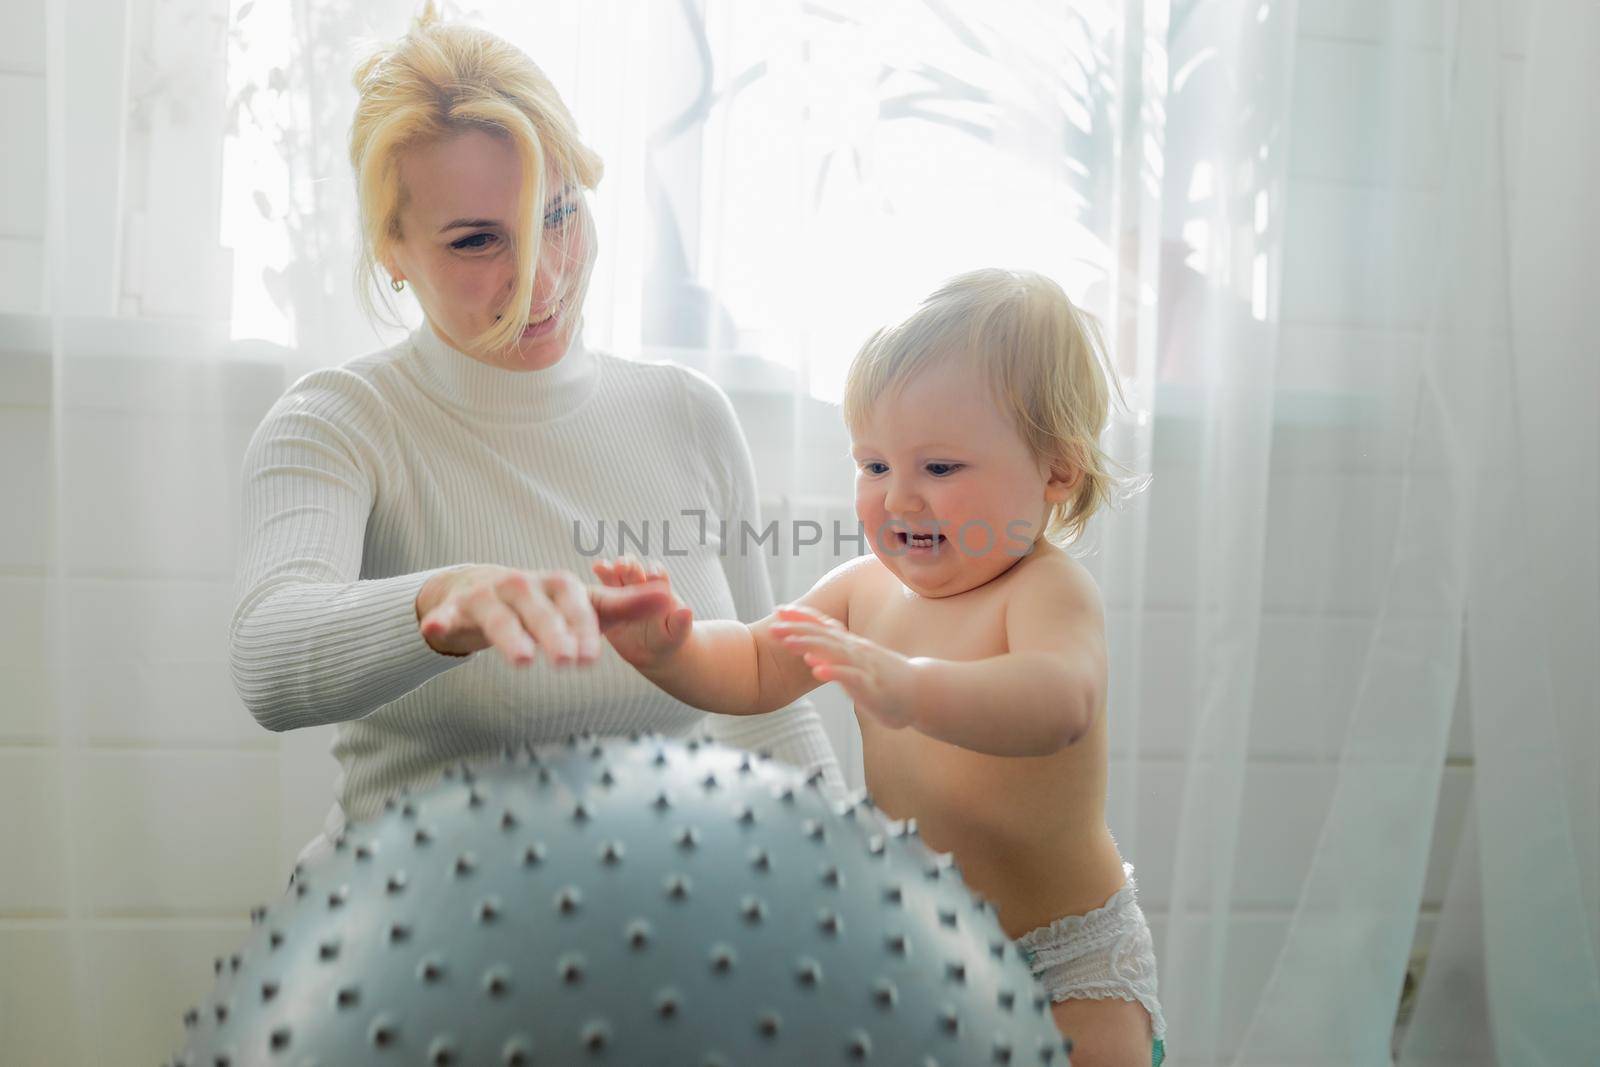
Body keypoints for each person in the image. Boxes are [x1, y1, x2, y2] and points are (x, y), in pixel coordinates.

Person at [227, 6, 843, 868]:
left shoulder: (688, 414)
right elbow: (270, 652)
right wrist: (445, 601)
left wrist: (854, 889)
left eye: (558, 215)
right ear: (392, 247)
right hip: (412, 951)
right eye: (478, 240)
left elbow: (768, 704)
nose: (540, 279)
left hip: (654, 948)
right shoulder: (338, 421)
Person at [596, 268, 1166, 1066]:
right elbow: (760, 664)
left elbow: (1059, 698)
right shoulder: (864, 590)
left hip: (1068, 962)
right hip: (926, 950)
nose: (899, 499)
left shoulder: (1046, 590)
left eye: (938, 469)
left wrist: (913, 685)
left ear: (1055, 470)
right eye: (873, 466)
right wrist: (672, 649)